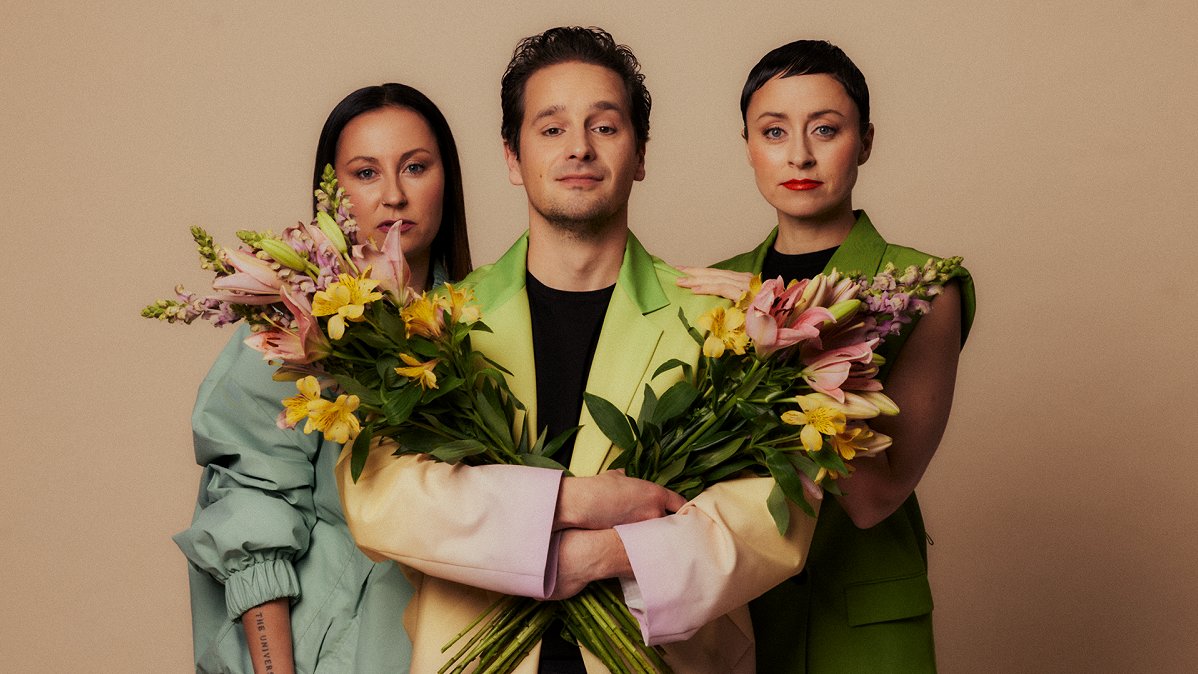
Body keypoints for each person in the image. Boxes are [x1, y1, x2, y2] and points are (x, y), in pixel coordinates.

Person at [336, 27, 818, 674]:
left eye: (606, 127)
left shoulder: (723, 319)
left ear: (641, 152)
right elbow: (381, 497)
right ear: (512, 157)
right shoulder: (433, 323)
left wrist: (603, 557)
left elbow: (780, 507)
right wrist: (568, 508)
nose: (580, 149)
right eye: (552, 128)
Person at [676, 40, 977, 672]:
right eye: (774, 131)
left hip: (866, 620)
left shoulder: (925, 286)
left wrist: (785, 338)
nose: (800, 154)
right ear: (748, 144)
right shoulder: (712, 288)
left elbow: (875, 497)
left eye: (826, 129)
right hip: (740, 612)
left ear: (865, 141)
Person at [174, 83, 472, 674]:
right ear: (333, 196)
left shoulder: (485, 320)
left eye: (415, 167)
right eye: (366, 173)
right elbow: (251, 507)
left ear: (447, 181)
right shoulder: (295, 327)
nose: (393, 195)